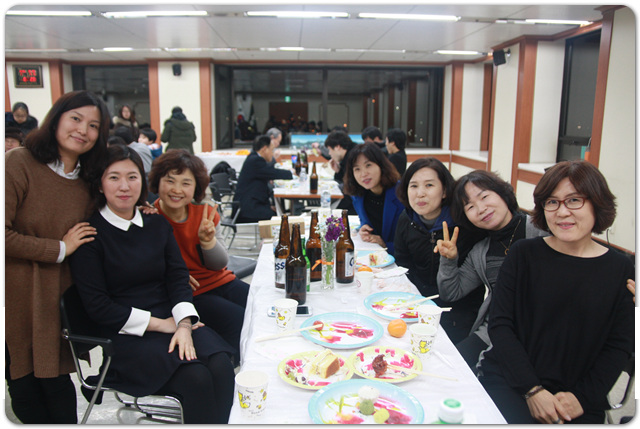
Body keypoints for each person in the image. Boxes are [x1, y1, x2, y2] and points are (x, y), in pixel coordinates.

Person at [69, 145, 235, 424]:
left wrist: (183, 324)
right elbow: (98, 307)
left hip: (172, 317)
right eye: (114, 177)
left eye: (132, 177)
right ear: (99, 184)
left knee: (221, 366)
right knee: (196, 377)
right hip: (127, 332)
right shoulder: (91, 235)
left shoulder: (156, 224)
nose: (124, 186)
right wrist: (163, 324)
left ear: (142, 181)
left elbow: (177, 277)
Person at [478, 160, 634, 424]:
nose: (562, 212)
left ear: (597, 202)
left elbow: (619, 345)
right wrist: (532, 389)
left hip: (579, 395)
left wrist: (582, 398)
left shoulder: (621, 269)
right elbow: (501, 324)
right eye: (552, 202)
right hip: (511, 381)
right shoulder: (523, 254)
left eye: (574, 200)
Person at [5, 90, 110, 423]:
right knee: (25, 390)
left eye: (93, 125)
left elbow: (111, 220)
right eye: (75, 119)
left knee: (58, 388)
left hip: (58, 298)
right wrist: (60, 249)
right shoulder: (19, 162)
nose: (83, 130)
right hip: (18, 294)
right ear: (56, 120)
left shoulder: (89, 179)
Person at [435, 170, 547, 372]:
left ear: (503, 194)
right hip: (492, 333)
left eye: (484, 196)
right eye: (470, 207)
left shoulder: (541, 231)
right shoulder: (481, 252)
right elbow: (451, 292)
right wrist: (449, 259)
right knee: (446, 368)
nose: (481, 209)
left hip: (540, 336)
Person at [149, 149, 250, 364]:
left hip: (221, 280)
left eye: (186, 183)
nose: (177, 190)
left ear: (196, 188)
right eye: (170, 181)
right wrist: (172, 274)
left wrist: (207, 241)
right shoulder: (149, 217)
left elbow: (220, 264)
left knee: (259, 306)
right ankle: (233, 371)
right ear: (157, 182)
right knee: (238, 319)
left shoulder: (205, 214)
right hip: (192, 292)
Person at [394, 158, 485, 344]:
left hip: (457, 312)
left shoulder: (464, 223)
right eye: (413, 186)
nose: (420, 193)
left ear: (444, 191)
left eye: (429, 185)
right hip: (416, 305)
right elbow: (403, 264)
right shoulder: (406, 219)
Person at [342, 142, 403, 255]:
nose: (363, 174)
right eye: (357, 169)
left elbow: (411, 242)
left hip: (398, 260)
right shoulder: (358, 196)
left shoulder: (401, 194)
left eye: (368, 165)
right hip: (374, 257)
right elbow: (368, 223)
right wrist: (364, 229)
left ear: (381, 165)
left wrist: (385, 245)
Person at [233, 135, 293, 223]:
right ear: (264, 149)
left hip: (250, 204)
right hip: (246, 210)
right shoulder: (255, 161)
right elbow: (273, 172)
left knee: (279, 211)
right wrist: (291, 173)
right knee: (278, 216)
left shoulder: (253, 157)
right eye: (271, 150)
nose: (272, 154)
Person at [324, 129, 357, 214]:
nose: (329, 153)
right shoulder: (348, 155)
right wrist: (338, 171)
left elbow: (351, 187)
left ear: (337, 147)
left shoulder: (354, 156)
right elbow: (344, 182)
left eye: (330, 150)